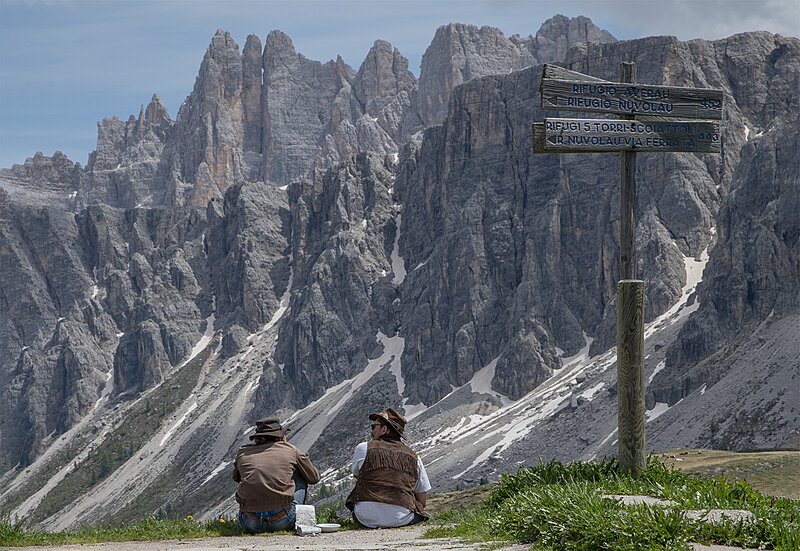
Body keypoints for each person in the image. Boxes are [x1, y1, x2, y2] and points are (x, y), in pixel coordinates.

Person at [346, 407, 432, 528]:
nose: (372, 431)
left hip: (364, 518)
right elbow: (422, 502)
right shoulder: (414, 457)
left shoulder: (363, 448)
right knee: (427, 516)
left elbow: (357, 475)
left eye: (374, 426)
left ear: (384, 429)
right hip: (402, 519)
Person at [232, 417, 320, 534]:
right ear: (280, 437)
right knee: (299, 475)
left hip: (250, 523)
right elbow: (314, 478)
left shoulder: (243, 452)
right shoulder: (290, 450)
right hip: (283, 520)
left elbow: (236, 478)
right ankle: (295, 518)